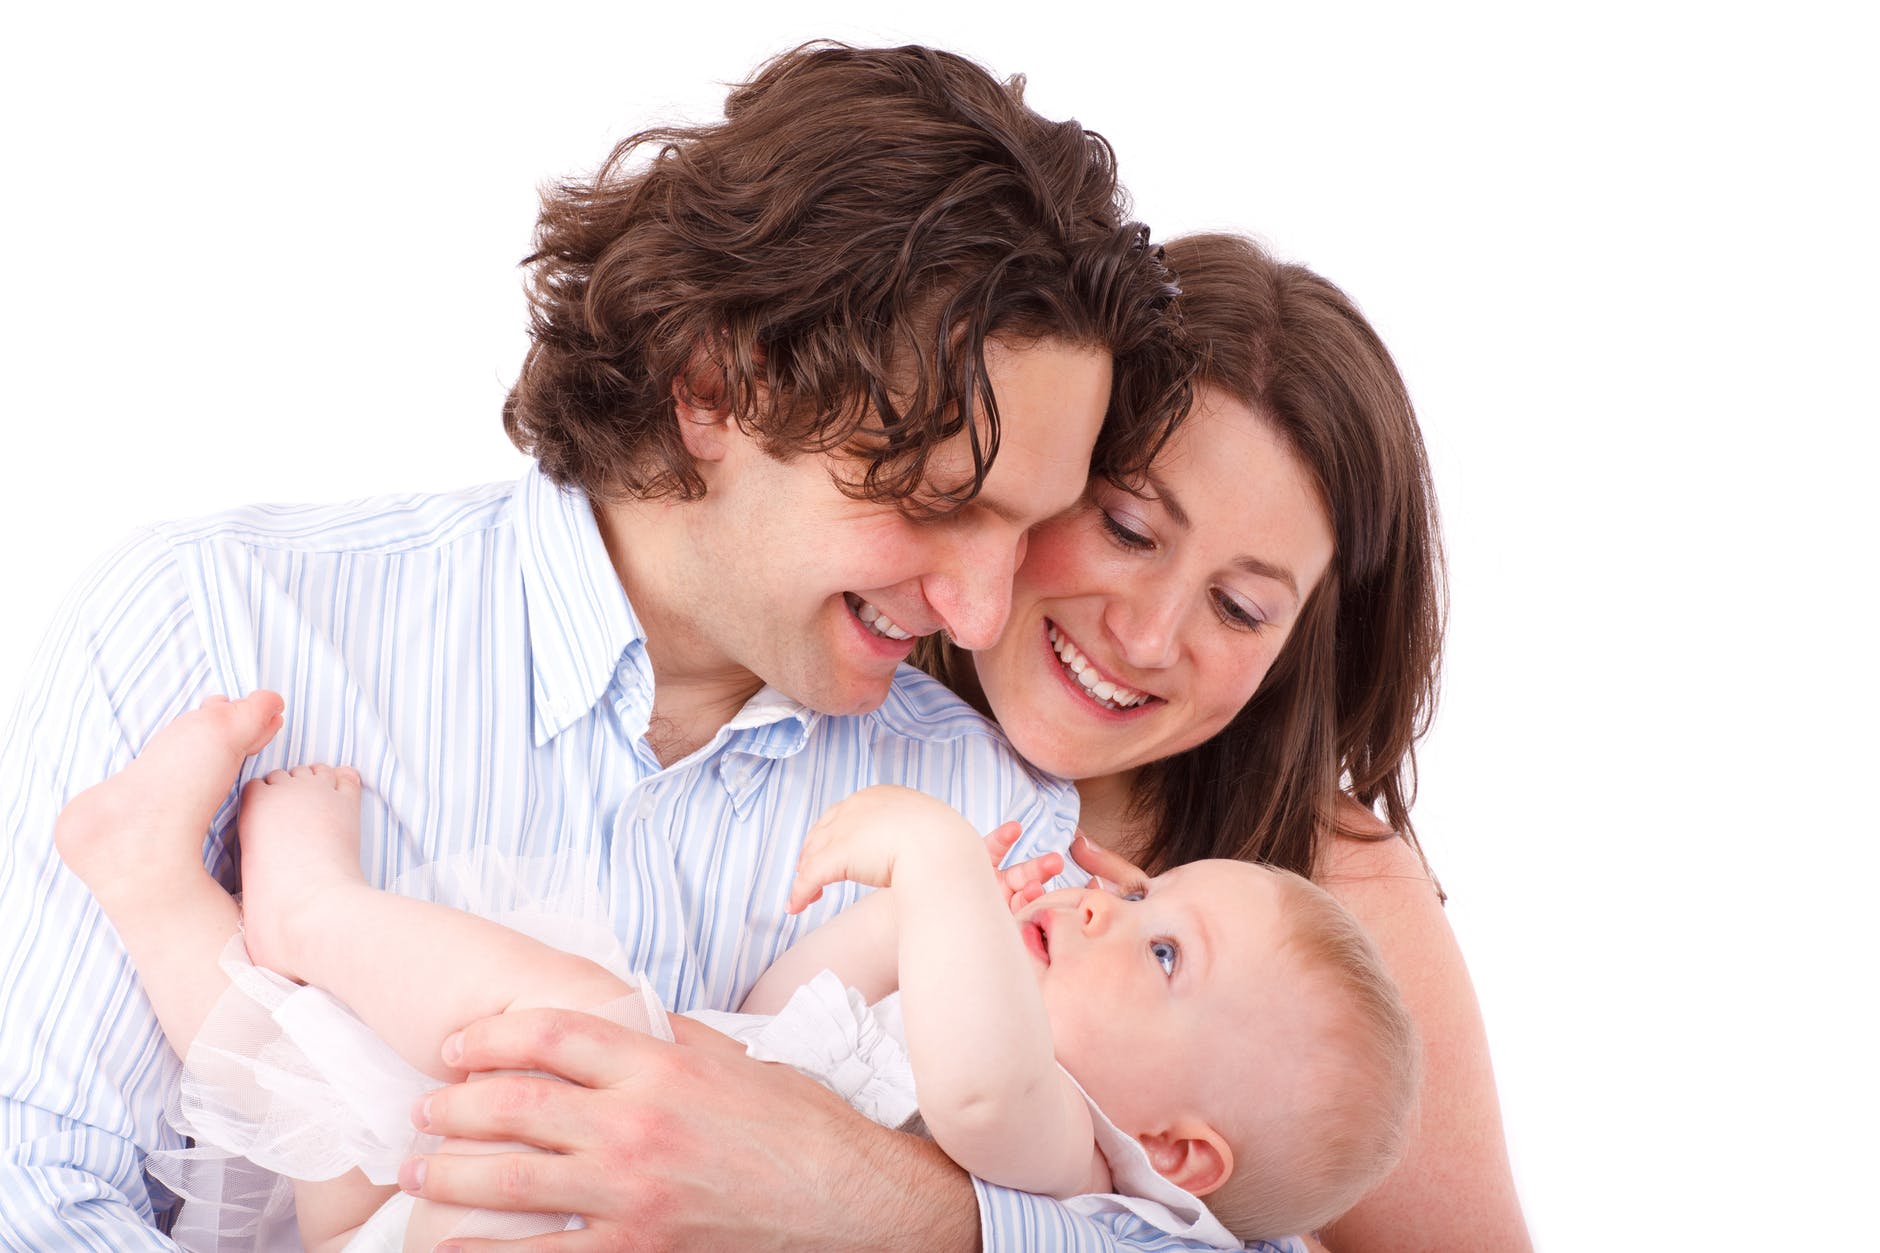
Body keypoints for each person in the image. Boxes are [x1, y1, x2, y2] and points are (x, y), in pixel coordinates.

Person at [0, 43, 1229, 1252]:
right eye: (930, 499)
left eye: (1023, 527)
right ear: (711, 385)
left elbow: (1210, 1215)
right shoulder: (209, 624)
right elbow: (33, 1194)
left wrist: (878, 1203)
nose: (976, 612)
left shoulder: (987, 815)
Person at [55, 693, 1418, 1249]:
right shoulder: (998, 1055)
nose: (1107, 913)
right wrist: (897, 938)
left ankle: (311, 912)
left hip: (582, 1203)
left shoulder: (1102, 1173)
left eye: (1164, 948)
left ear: (1187, 1153)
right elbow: (778, 1023)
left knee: (586, 1021)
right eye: (1143, 898)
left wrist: (936, 870)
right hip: (534, 1200)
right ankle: (153, 888)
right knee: (337, 1120)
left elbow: (990, 1096)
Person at [918, 233, 1532, 1250]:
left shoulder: (1339, 900)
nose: (1147, 635)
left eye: (1239, 606)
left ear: (1294, 644)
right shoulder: (827, 707)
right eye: (1124, 526)